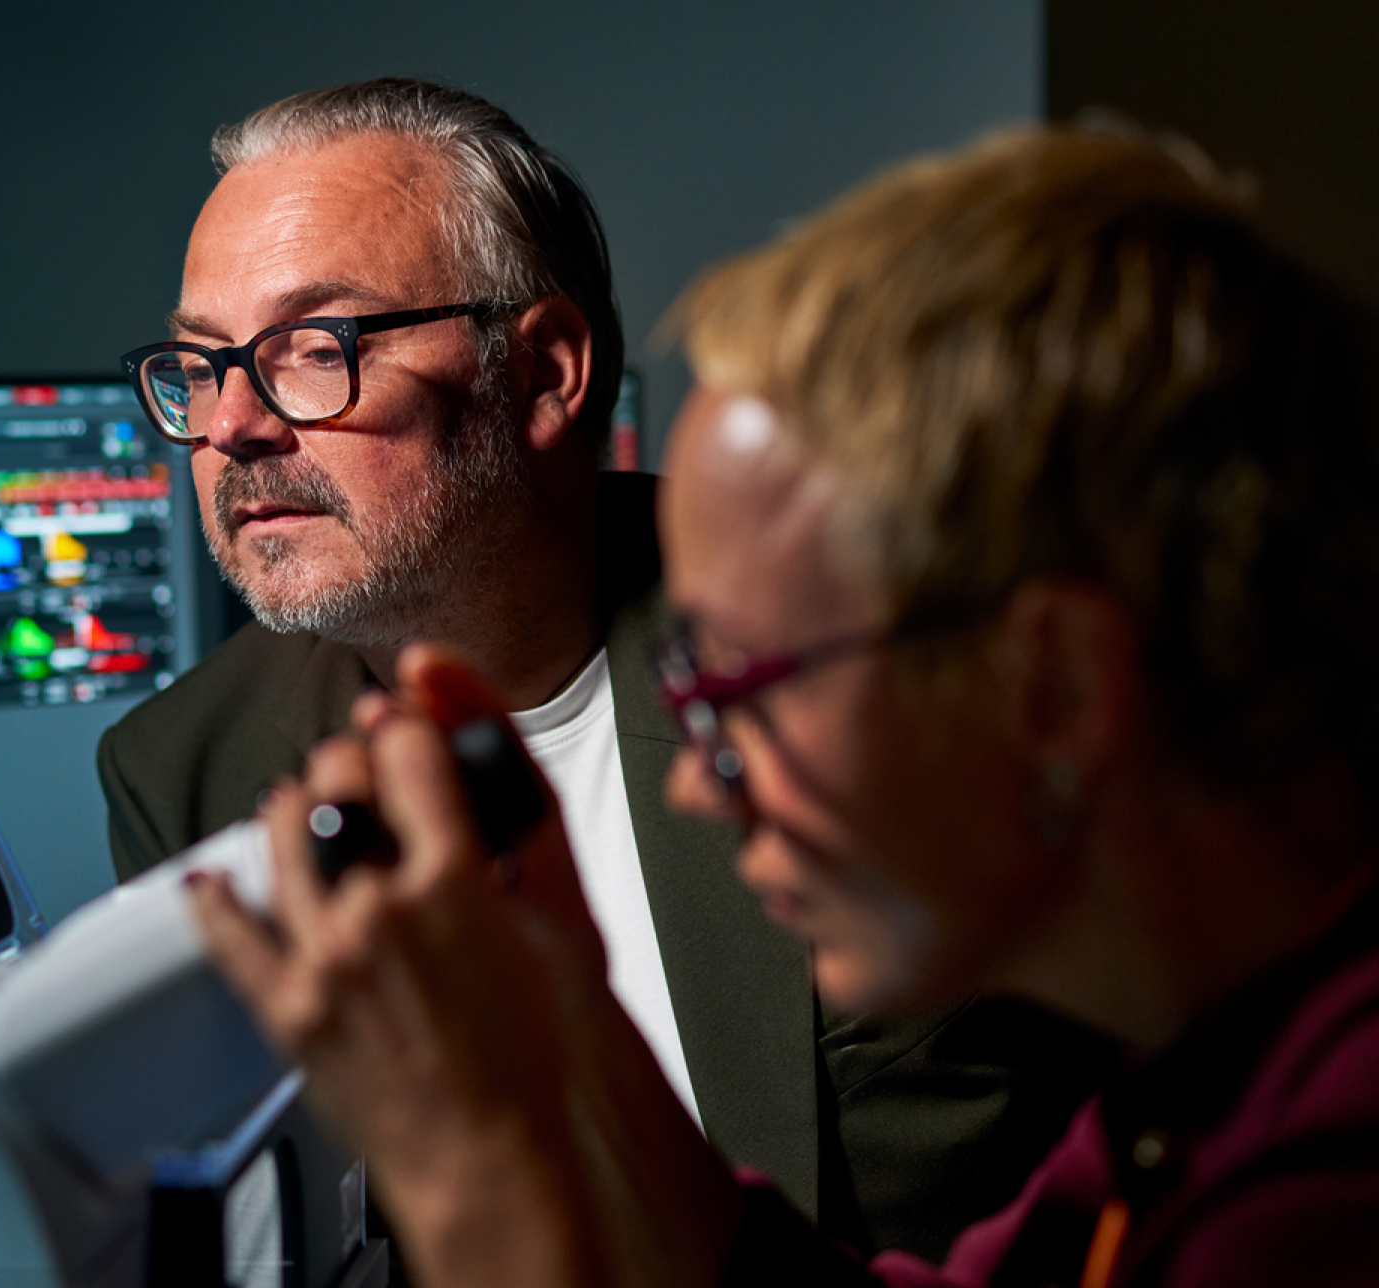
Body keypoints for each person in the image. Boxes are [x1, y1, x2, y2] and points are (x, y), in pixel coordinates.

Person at [188, 120, 1379, 1288]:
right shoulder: (1205, 1085)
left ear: (1057, 688)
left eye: (746, 687)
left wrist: (467, 1169)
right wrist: (573, 1022)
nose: (698, 777)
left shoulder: (1320, 1198)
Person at [106, 78, 1112, 1255]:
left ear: (544, 375)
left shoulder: (852, 669)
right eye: (200, 364)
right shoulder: (180, 772)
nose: (231, 423)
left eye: (311, 349)